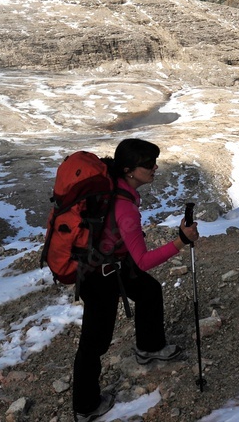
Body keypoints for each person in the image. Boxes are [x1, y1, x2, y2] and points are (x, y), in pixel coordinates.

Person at [72, 138, 200, 422]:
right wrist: (181, 241)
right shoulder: (124, 206)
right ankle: (86, 406)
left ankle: (149, 347)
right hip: (100, 275)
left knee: (148, 290)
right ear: (129, 170)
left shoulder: (118, 187)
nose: (155, 168)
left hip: (112, 263)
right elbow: (143, 260)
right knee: (94, 343)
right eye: (148, 165)